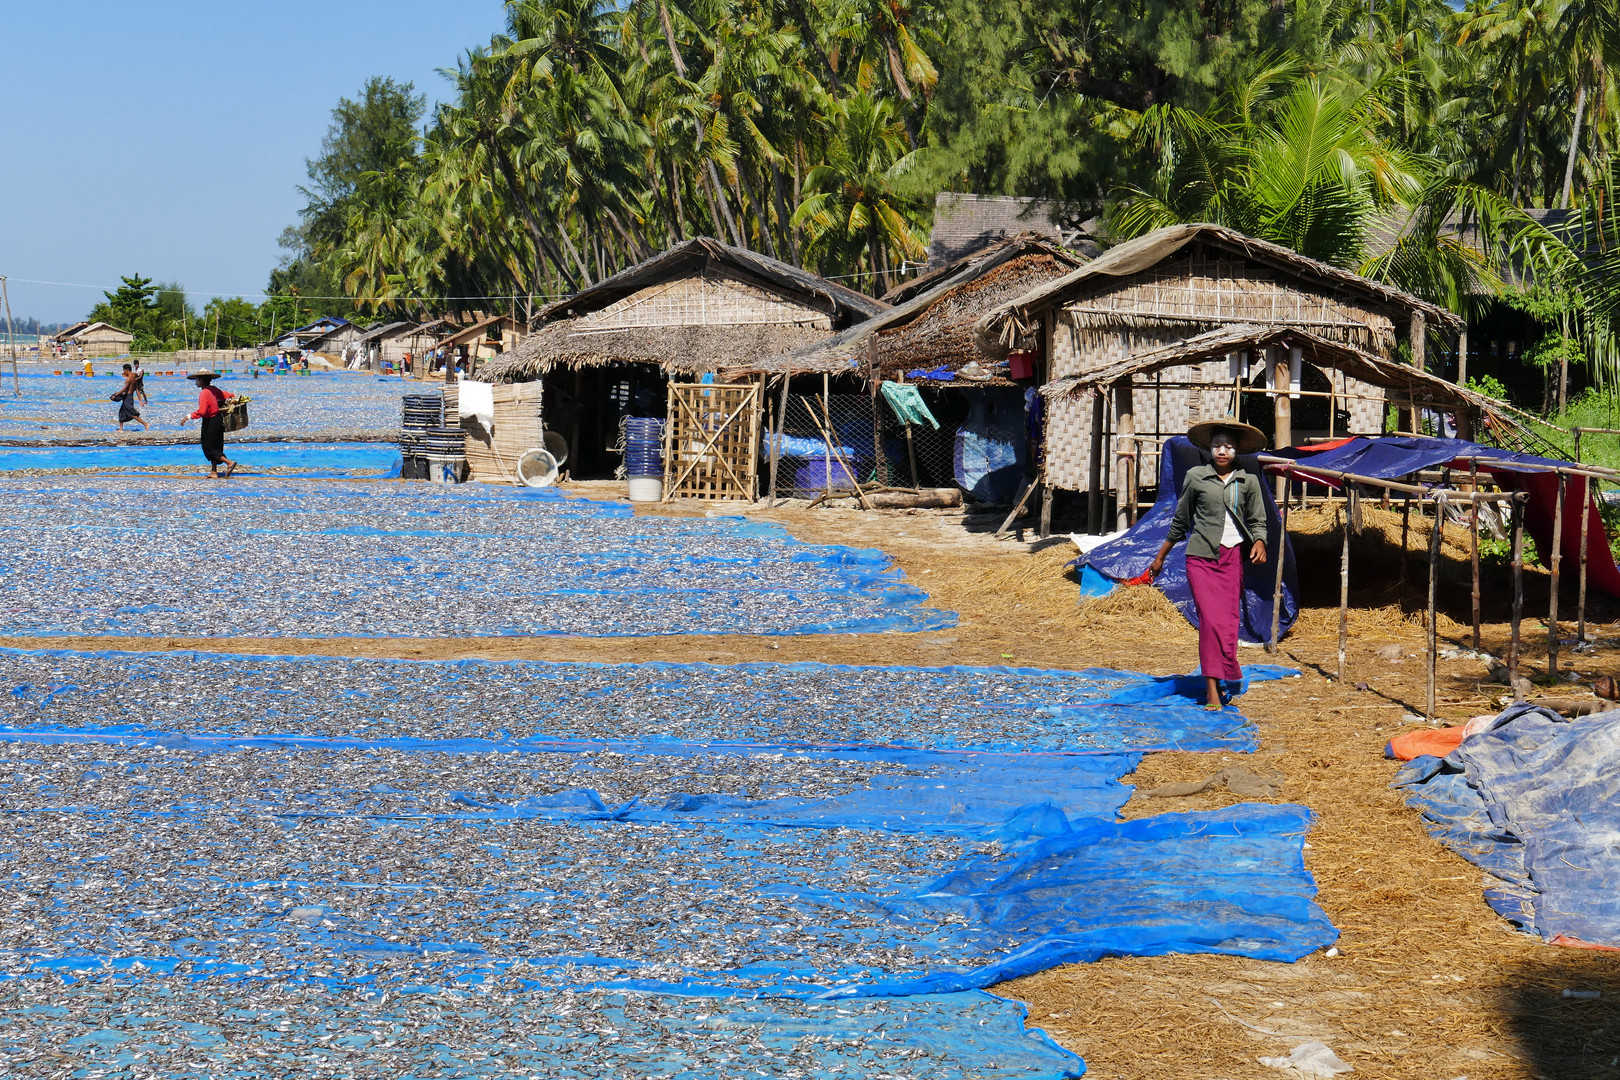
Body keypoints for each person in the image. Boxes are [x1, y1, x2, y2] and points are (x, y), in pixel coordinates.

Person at [1147, 417, 1270, 710]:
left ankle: (1221, 675)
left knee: (1227, 622)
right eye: (1217, 446)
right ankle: (1212, 687)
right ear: (1210, 450)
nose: (1222, 451)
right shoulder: (1196, 477)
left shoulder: (1247, 482)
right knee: (1211, 622)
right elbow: (1180, 520)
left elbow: (1258, 520)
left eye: (1228, 446)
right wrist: (1160, 556)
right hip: (1200, 559)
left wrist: (1260, 541)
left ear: (1237, 450)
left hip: (1230, 560)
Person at [178, 371, 237, 478]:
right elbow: (224, 394)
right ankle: (214, 472)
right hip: (218, 420)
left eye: (197, 380)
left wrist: (188, 417)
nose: (196, 382)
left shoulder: (204, 392)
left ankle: (229, 462)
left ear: (201, 381)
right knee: (216, 445)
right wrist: (232, 396)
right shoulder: (213, 389)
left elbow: (203, 411)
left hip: (210, 421)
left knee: (209, 447)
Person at [113, 364, 149, 431]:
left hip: (128, 398)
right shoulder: (134, 379)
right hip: (129, 397)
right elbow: (137, 390)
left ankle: (145, 424)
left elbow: (124, 389)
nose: (124, 372)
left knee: (131, 414)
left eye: (124, 371)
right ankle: (121, 428)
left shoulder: (129, 379)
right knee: (121, 412)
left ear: (126, 370)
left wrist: (116, 395)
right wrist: (140, 400)